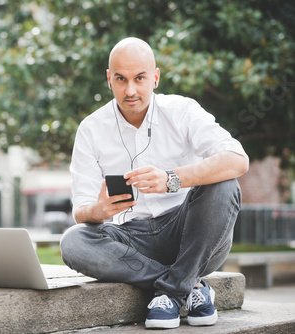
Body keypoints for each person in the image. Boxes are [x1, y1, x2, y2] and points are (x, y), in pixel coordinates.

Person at [60, 37, 249, 329]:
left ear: (156, 78)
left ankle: (171, 292)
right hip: (131, 241)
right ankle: (188, 286)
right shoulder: (90, 129)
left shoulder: (182, 111)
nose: (131, 90)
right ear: (109, 80)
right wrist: (98, 210)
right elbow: (81, 210)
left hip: (191, 236)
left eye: (140, 78)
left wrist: (172, 179)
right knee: (73, 242)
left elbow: (237, 159)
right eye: (121, 79)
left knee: (225, 184)